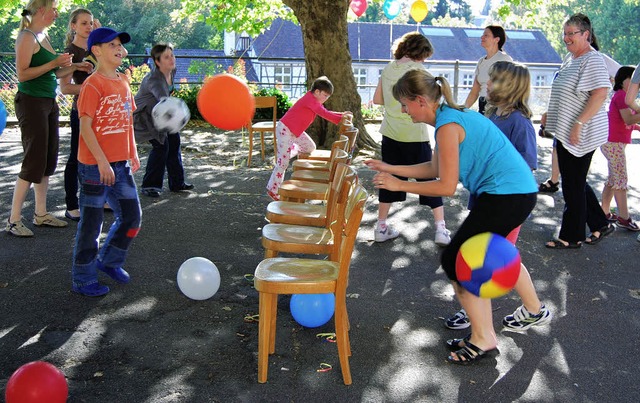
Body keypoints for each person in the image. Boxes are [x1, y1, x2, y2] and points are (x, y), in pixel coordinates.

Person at [365, 69, 550, 364]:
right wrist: (389, 168)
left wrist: (399, 185)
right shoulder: (447, 120)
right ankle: (490, 329)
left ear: (421, 101)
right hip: (509, 194)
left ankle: (484, 336)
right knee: (470, 258)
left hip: (508, 195)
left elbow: (446, 187)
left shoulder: (448, 126)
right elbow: (433, 168)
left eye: (404, 103)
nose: (403, 110)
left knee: (457, 259)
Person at [445, 61, 543, 331]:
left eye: (493, 79)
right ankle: (534, 309)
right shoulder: (495, 117)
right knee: (501, 255)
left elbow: (526, 166)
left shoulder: (519, 123)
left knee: (484, 256)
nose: (486, 83)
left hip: (505, 202)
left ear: (509, 86)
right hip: (487, 200)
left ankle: (476, 315)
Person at [6, 0, 92, 237]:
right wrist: (55, 62)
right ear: (41, 10)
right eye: (53, 9)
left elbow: (56, 71)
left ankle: (41, 214)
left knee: (47, 160)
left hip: (47, 102)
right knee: (33, 160)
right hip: (31, 102)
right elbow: (22, 74)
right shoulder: (27, 37)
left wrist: (75, 66)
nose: (56, 14)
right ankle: (13, 220)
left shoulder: (42, 36)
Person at [72, 27, 141, 297]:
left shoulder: (123, 81)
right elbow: (85, 128)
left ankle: (109, 261)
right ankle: (82, 278)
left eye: (120, 45)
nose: (118, 48)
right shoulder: (92, 84)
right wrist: (101, 163)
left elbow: (128, 122)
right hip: (94, 166)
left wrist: (131, 152)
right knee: (91, 224)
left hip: (121, 164)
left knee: (132, 216)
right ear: (96, 51)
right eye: (111, 44)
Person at [371, 31, 450, 245]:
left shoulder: (388, 67)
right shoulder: (419, 70)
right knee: (430, 179)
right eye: (425, 55)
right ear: (419, 52)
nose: (425, 60)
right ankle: (441, 229)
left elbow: (377, 99)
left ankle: (381, 226)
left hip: (390, 134)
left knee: (388, 180)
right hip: (415, 134)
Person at [543, 13, 614, 249]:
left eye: (571, 33)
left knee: (572, 184)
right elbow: (564, 92)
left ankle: (571, 236)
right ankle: (600, 224)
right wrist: (549, 113)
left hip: (583, 132)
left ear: (586, 35)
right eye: (565, 33)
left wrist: (579, 123)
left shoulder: (592, 60)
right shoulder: (571, 58)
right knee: (576, 180)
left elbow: (600, 93)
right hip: (569, 129)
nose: (566, 38)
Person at [266, 76, 351, 200]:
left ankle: (287, 152)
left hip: (295, 131)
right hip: (286, 129)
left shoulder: (313, 101)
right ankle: (273, 189)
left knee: (310, 147)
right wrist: (341, 117)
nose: (326, 99)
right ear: (317, 92)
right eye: (325, 96)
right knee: (282, 164)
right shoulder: (310, 100)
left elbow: (324, 111)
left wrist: (342, 115)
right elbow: (324, 113)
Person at [134, 43, 193, 198]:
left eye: (172, 55)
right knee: (161, 146)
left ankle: (177, 183)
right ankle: (150, 185)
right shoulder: (154, 80)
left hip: (163, 115)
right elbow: (164, 101)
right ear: (157, 62)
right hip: (144, 117)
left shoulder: (172, 71)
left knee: (174, 142)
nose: (171, 59)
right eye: (166, 57)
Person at [60, 8, 100, 221]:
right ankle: (71, 204)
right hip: (82, 111)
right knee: (76, 157)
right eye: (84, 22)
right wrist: (92, 89)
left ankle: (99, 199)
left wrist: (102, 33)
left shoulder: (98, 48)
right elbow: (65, 88)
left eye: (91, 23)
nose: (89, 26)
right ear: (73, 26)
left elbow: (122, 54)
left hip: (102, 112)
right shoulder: (69, 52)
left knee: (99, 156)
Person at [600, 66, 640, 231]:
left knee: (613, 179)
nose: (635, 83)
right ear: (622, 80)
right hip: (613, 143)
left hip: (613, 142)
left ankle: (605, 212)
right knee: (621, 179)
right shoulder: (622, 96)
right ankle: (624, 217)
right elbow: (628, 119)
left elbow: (626, 123)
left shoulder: (620, 95)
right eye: (632, 79)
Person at [464, 25, 512, 115]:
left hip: (497, 106)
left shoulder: (505, 59)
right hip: (482, 104)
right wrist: (463, 108)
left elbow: (509, 87)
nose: (482, 37)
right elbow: (475, 90)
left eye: (486, 35)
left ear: (496, 39)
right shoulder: (481, 61)